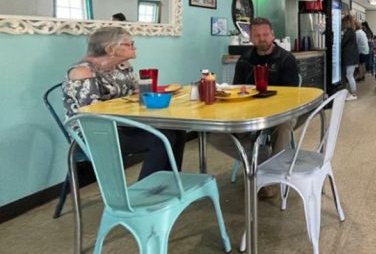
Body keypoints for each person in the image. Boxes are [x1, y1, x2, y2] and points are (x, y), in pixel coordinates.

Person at [63, 26, 186, 180]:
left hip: (125, 124)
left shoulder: (123, 67)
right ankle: (147, 193)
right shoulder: (82, 72)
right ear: (110, 49)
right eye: (129, 44)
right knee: (163, 136)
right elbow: (92, 114)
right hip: (95, 133)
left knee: (177, 129)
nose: (134, 47)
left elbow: (136, 93)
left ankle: (167, 182)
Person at [208, 17, 299, 197]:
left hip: (280, 113)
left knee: (283, 126)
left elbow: (292, 94)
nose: (262, 38)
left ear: (273, 35)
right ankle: (264, 157)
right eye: (257, 35)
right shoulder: (245, 59)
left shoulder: (286, 59)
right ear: (251, 38)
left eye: (265, 34)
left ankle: (273, 178)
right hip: (249, 113)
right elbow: (237, 89)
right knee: (215, 135)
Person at [341, 15, 359, 101]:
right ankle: (352, 93)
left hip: (350, 56)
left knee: (349, 75)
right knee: (349, 75)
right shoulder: (352, 31)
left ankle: (354, 94)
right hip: (352, 56)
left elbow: (342, 43)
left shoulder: (349, 32)